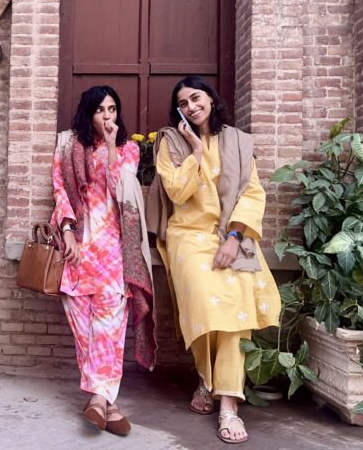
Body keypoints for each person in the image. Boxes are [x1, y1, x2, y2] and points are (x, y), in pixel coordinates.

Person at [146, 76, 281, 444]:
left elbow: (252, 194)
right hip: (187, 235)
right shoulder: (170, 142)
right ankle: (206, 379)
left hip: (230, 235)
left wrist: (235, 237)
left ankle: (227, 401)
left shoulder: (236, 141)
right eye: (183, 103)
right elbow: (176, 190)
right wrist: (194, 151)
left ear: (210, 99)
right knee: (207, 303)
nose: (191, 107)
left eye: (196, 98)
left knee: (237, 305)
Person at [51, 85, 156, 436]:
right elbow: (60, 191)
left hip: (113, 254)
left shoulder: (129, 150)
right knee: (86, 333)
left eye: (112, 108)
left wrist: (111, 146)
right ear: (88, 113)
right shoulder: (68, 148)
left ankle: (97, 400)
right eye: (100, 110)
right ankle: (107, 405)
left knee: (109, 332)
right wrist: (67, 233)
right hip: (78, 251)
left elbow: (120, 190)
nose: (107, 115)